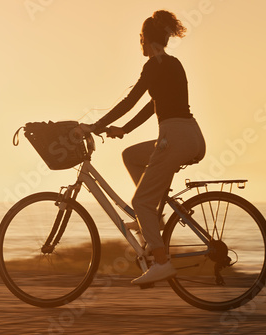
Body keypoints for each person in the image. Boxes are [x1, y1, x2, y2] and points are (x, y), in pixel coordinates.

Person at [81, 10, 206, 285]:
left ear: (146, 40)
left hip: (173, 137)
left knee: (140, 202)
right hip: (191, 134)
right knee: (131, 155)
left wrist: (94, 126)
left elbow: (130, 101)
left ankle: (161, 262)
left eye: (140, 38)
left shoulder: (153, 66)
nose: (139, 43)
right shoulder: (173, 63)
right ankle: (151, 218)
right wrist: (124, 130)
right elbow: (153, 105)